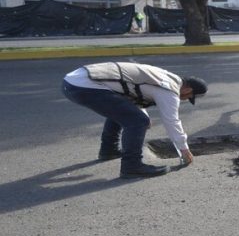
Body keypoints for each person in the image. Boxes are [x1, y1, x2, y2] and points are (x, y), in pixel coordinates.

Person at [61, 62, 207, 178]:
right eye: (188, 97)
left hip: (73, 82)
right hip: (86, 85)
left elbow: (132, 93)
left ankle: (108, 150)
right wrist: (184, 149)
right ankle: (132, 166)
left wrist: (143, 114)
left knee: (127, 115)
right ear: (188, 90)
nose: (185, 99)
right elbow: (172, 121)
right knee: (138, 121)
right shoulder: (170, 90)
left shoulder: (164, 76)